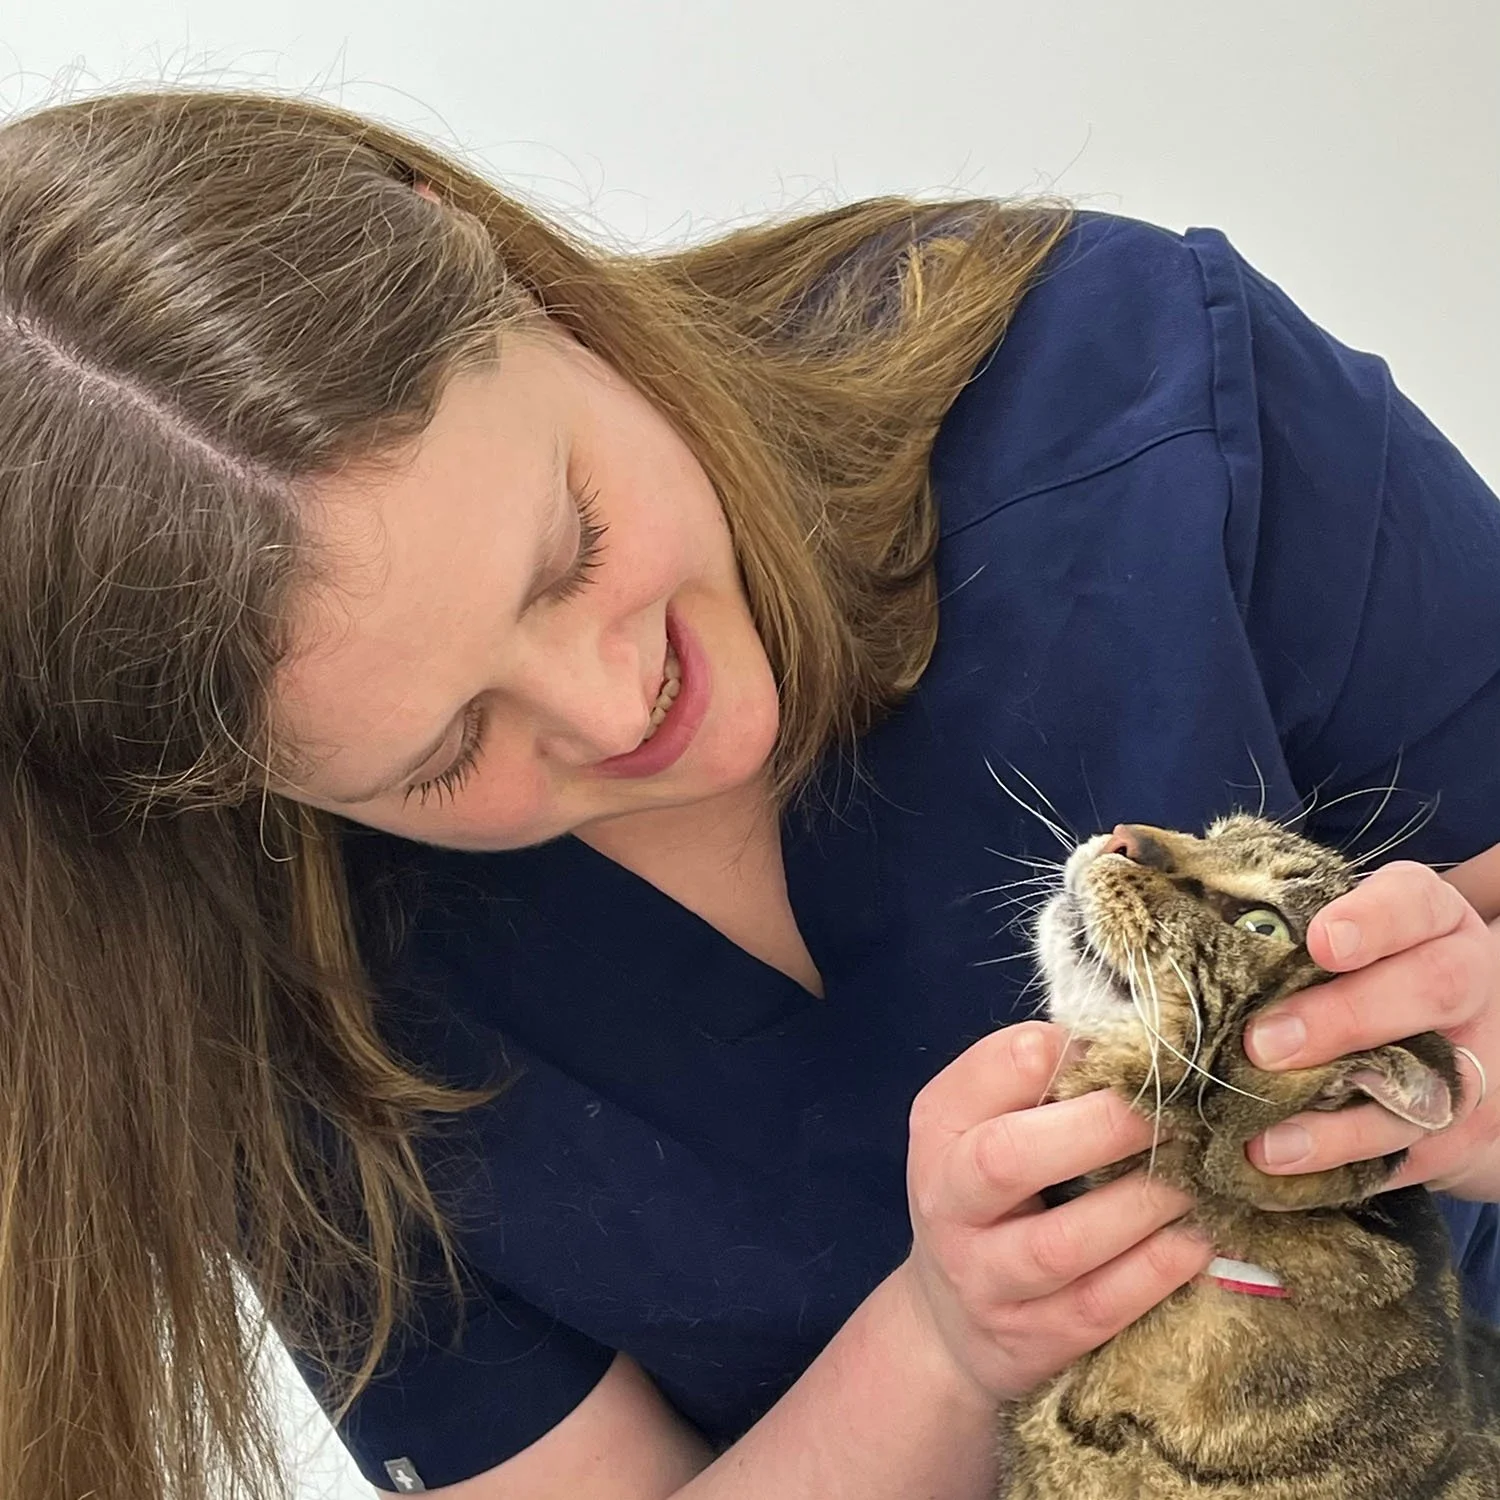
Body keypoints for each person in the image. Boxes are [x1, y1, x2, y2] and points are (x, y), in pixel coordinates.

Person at [1, 87, 1498, 1500]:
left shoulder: (1129, 398)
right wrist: (937, 1344)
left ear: (478, 248)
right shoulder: (258, 997)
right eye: (446, 750)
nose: (615, 709)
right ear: (224, 798)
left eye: (573, 545)